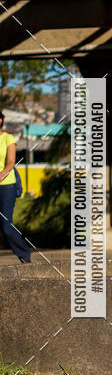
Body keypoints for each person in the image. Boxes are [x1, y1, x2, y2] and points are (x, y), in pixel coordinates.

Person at [0, 110, 31, 263]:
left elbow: (11, 162)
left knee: (6, 226)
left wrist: (2, 174)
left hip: (6, 186)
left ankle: (24, 254)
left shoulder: (8, 138)